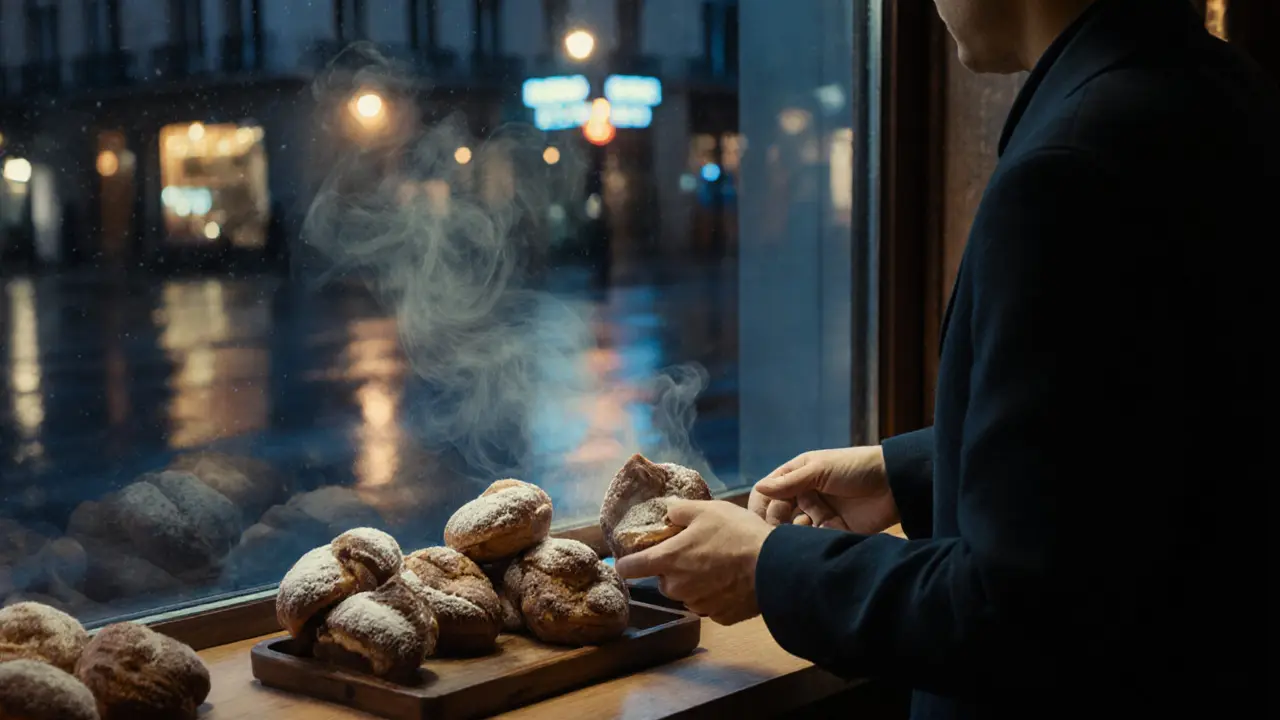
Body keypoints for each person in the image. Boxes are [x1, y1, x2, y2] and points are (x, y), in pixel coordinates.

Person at [615, 0, 1274, 714]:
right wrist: (911, 472)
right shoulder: (1218, 90)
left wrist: (767, 566)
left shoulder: (1067, 173)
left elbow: (1021, 612)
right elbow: (1154, 434)